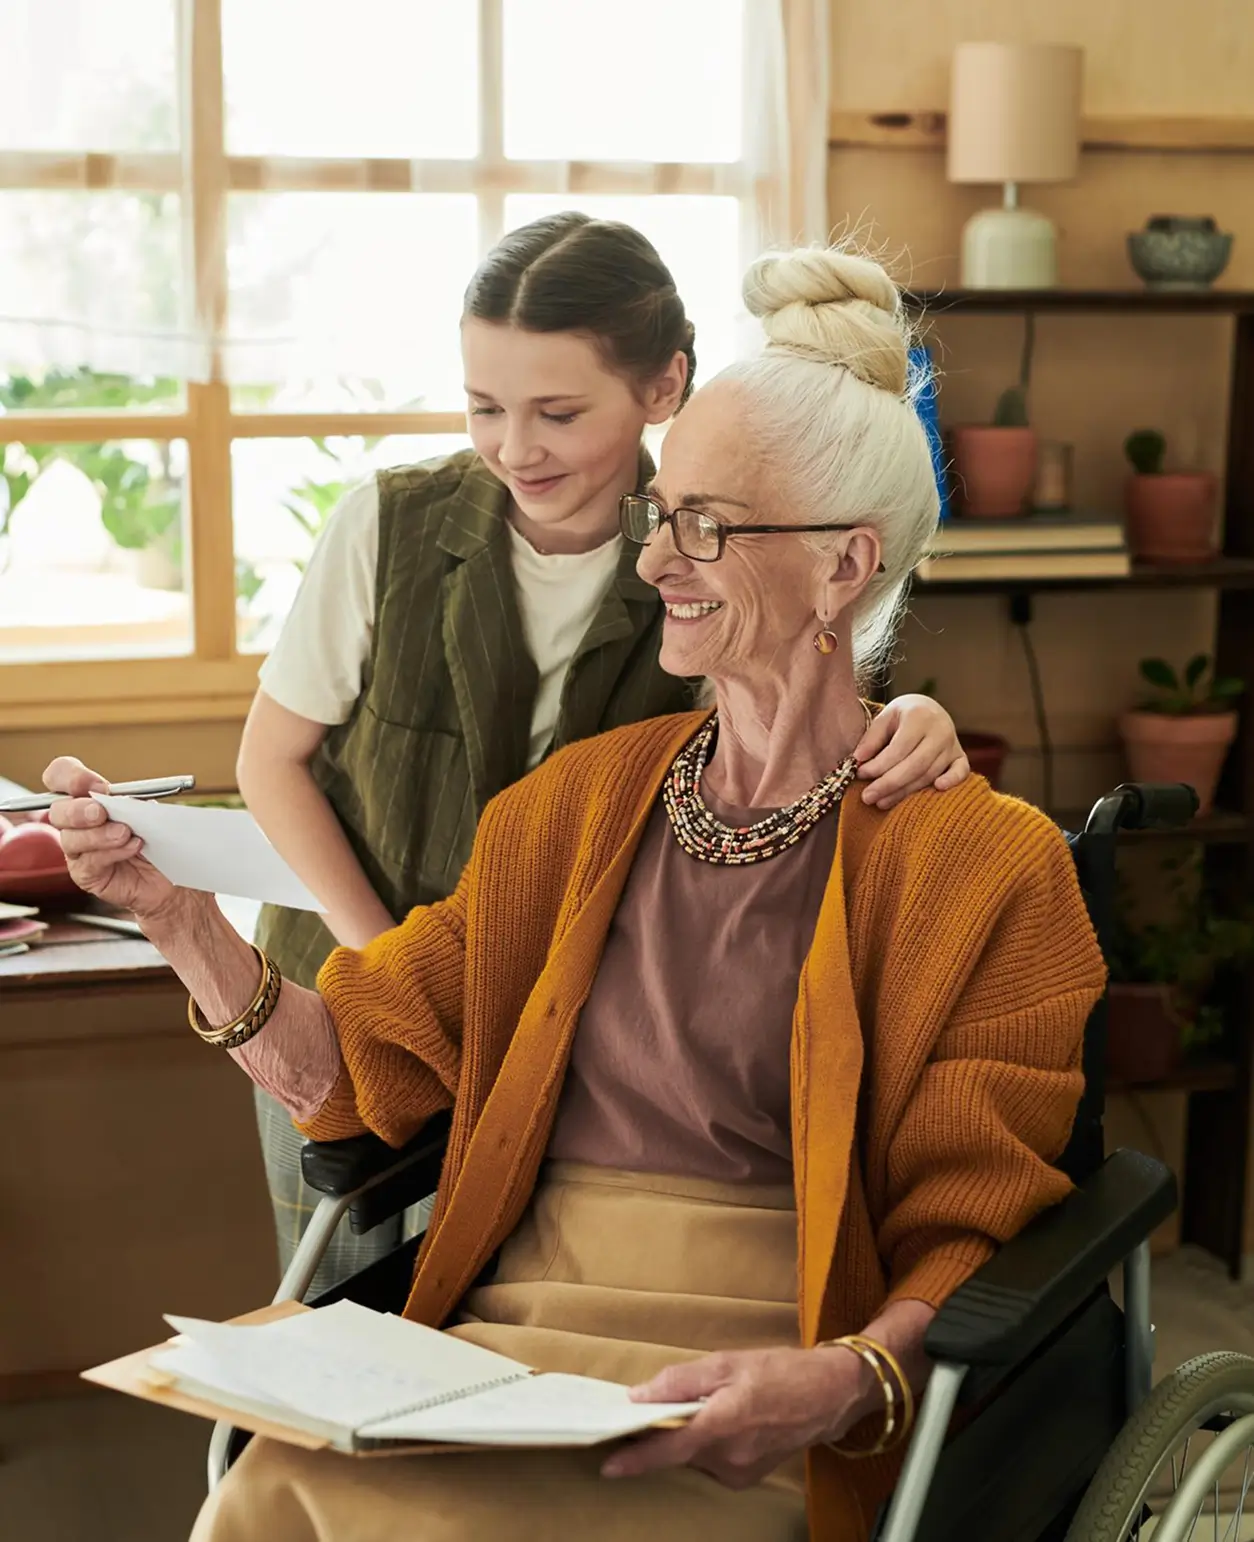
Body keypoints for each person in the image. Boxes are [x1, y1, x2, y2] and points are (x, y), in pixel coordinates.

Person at [47, 241, 1105, 1542]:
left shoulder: (986, 865)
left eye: (705, 525)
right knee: (267, 1496)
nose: (657, 559)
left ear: (845, 565)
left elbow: (974, 1219)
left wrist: (842, 1377)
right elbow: (349, 1068)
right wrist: (177, 917)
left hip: (760, 1372)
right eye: (663, 513)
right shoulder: (577, 804)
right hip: (507, 1355)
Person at [235, 211, 971, 1292]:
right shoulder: (389, 528)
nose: (514, 448)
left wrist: (919, 723)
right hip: (344, 988)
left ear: (664, 387)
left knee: (486, 1308)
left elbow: (799, 720)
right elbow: (269, 764)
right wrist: (392, 967)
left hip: (557, 1041)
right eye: (486, 407)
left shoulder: (705, 556)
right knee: (332, 1319)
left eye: (558, 412)